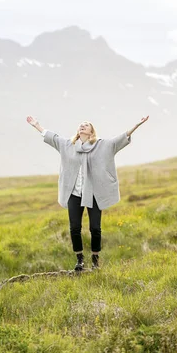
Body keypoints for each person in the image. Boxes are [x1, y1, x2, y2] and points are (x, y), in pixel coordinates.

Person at [26, 115, 149, 271]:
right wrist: (37, 125)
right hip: (74, 193)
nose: (82, 126)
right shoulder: (67, 145)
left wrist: (136, 125)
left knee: (95, 228)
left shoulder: (101, 145)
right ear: (79, 131)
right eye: (81, 125)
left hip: (93, 193)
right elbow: (53, 137)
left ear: (91, 131)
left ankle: (95, 260)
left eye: (86, 124)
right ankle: (79, 260)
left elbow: (120, 139)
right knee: (74, 228)